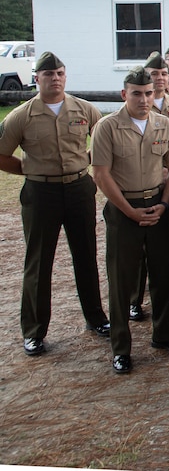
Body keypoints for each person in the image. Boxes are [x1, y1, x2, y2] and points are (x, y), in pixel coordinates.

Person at [0, 52, 110, 357]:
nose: (55, 79)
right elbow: (2, 154)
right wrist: (29, 170)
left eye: (60, 73)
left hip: (78, 188)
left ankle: (96, 318)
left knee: (86, 255)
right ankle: (34, 331)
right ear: (37, 78)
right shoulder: (21, 115)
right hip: (40, 194)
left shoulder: (84, 109)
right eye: (49, 74)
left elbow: (103, 141)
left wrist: (85, 162)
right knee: (38, 262)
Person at [90, 68, 169, 374]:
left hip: (157, 205)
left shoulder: (163, 124)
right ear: (124, 94)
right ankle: (121, 347)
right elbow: (101, 174)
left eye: (148, 93)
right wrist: (128, 211)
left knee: (163, 274)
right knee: (121, 280)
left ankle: (164, 334)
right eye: (136, 93)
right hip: (123, 208)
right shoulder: (107, 127)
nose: (144, 99)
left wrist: (165, 203)